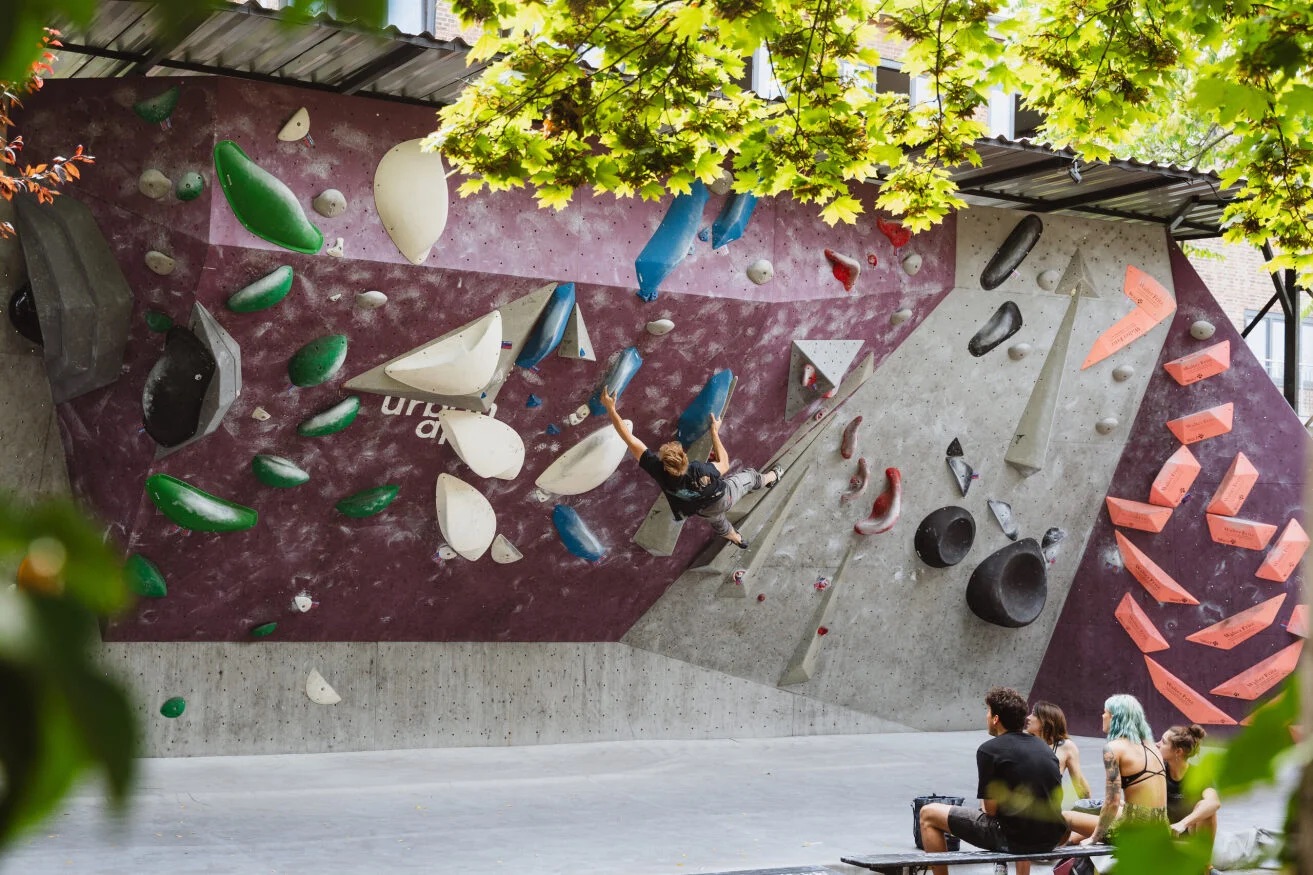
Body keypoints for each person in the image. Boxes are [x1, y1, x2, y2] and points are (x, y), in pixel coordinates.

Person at [599, 387, 781, 548]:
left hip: (701, 509)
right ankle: (773, 476)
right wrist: (714, 432)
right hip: (725, 497)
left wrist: (610, 408)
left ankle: (736, 539)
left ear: (663, 463)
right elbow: (724, 463)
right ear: (684, 458)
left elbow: (629, 439)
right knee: (751, 477)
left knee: (719, 524)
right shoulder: (697, 469)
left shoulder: (658, 471)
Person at [918, 687, 1067, 875]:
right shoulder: (1043, 747)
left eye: (988, 712)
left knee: (928, 813)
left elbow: (990, 810)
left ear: (996, 719)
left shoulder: (989, 750)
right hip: (1051, 837)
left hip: (1013, 839)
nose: (986, 717)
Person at [1063, 694, 1168, 845]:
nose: (1102, 715)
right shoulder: (1153, 747)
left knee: (1065, 817)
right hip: (1160, 828)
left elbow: (1112, 802)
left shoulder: (1114, 748)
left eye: (1105, 712)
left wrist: (1094, 839)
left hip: (1134, 832)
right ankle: (1069, 849)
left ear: (1114, 718)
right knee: (1093, 824)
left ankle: (1045, 852)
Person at [1159, 724, 1220, 848]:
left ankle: (1205, 865)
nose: (1157, 744)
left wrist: (1183, 824)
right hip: (1162, 835)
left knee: (1205, 807)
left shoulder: (1199, 775)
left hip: (1191, 835)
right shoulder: (1157, 771)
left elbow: (1214, 803)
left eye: (1163, 742)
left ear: (1178, 751)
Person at [1026, 701, 1093, 800]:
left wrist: (1088, 807)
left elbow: (1079, 783)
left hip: (1047, 810)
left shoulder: (1066, 746)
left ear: (1046, 721)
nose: (1028, 717)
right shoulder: (1023, 740)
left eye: (1034, 714)